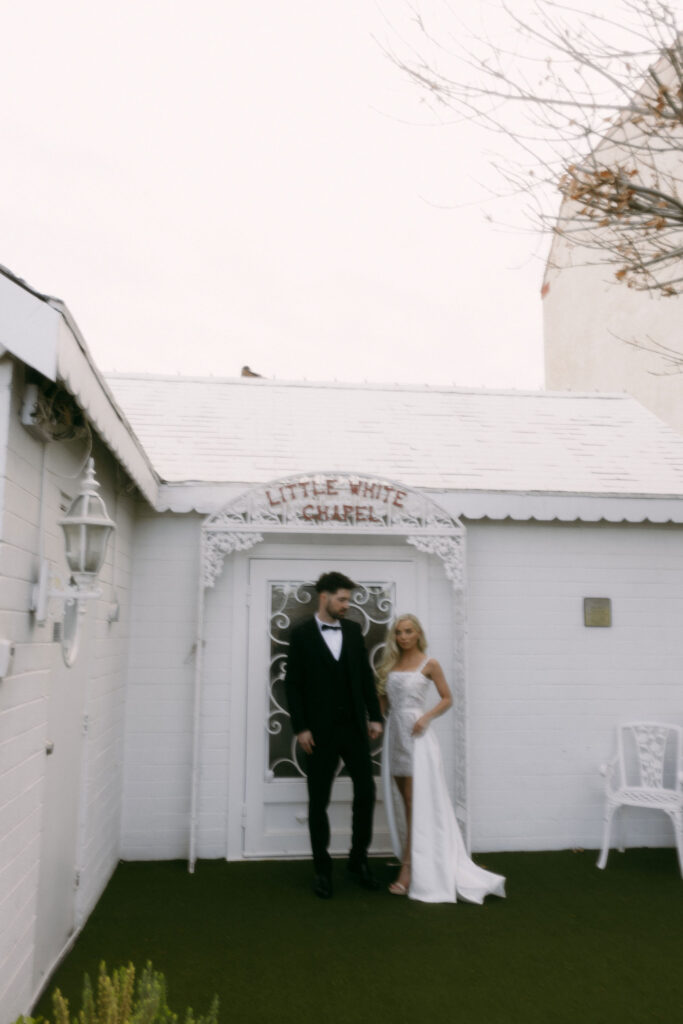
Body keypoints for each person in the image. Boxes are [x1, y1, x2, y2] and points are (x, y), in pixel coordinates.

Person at [377, 614, 506, 903]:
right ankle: (414, 857)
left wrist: (426, 718)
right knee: (404, 802)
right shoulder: (391, 665)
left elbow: (447, 698)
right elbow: (382, 703)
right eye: (398, 632)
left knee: (414, 802)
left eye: (408, 631)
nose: (403, 637)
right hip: (395, 736)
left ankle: (409, 869)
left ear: (418, 633)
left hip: (417, 737)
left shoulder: (429, 663)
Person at [285, 571, 384, 899]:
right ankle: (322, 870)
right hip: (319, 734)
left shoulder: (355, 632)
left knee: (366, 794)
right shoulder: (300, 635)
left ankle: (358, 861)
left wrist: (375, 716)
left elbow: (366, 679)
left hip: (355, 729)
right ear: (323, 596)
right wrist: (300, 727)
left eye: (349, 600)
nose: (346, 605)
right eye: (342, 599)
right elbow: (293, 685)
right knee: (318, 801)